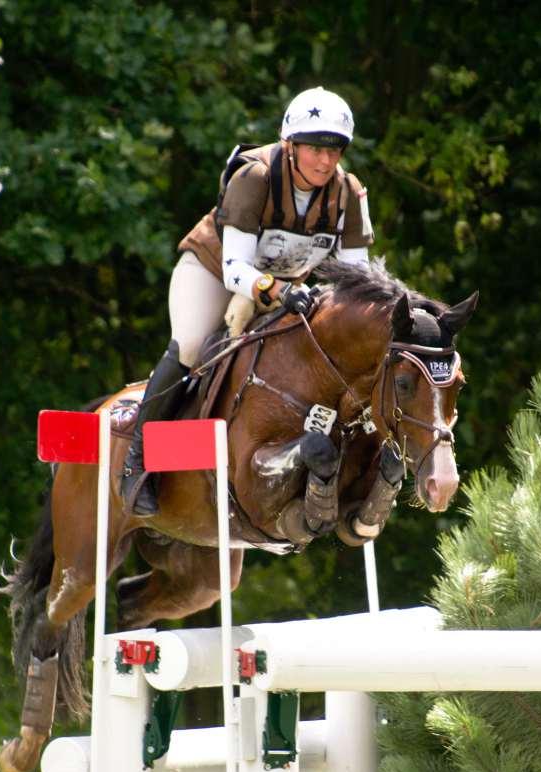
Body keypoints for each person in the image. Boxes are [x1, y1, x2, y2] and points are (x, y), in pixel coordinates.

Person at [121, 86, 374, 516]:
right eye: (315, 148)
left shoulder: (348, 193)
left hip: (288, 290)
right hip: (215, 272)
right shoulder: (254, 177)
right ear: (290, 145)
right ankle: (137, 463)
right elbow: (238, 268)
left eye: (335, 150)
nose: (326, 161)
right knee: (191, 345)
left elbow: (360, 280)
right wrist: (280, 292)